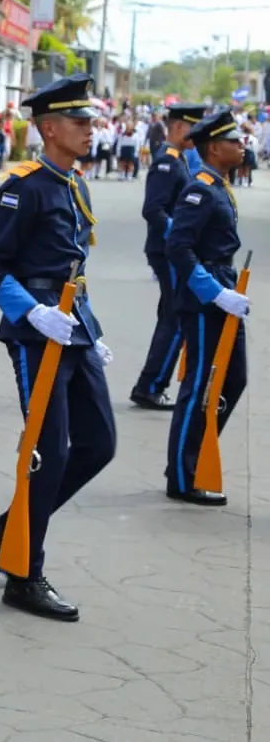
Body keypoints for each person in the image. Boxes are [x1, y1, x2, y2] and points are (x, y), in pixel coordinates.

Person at [0, 74, 116, 622]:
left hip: (73, 327)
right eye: (78, 122)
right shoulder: (24, 187)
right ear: (48, 128)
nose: (89, 130)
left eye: (90, 121)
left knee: (98, 443)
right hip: (38, 334)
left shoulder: (74, 183)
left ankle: (12, 526)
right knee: (47, 452)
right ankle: (23, 574)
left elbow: (72, 268)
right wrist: (32, 312)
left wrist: (92, 330)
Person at [163, 109, 250, 507]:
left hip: (224, 286)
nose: (241, 144)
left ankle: (196, 453)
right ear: (214, 148)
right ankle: (183, 476)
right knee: (200, 383)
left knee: (233, 379)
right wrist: (213, 292)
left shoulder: (217, 185)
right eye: (233, 140)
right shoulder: (199, 189)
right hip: (205, 296)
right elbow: (178, 247)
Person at [131, 103, 204, 410]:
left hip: (170, 249)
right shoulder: (166, 161)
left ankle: (150, 384)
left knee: (171, 317)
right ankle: (150, 386)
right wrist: (179, 233)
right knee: (175, 319)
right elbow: (153, 209)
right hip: (168, 250)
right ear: (178, 127)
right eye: (194, 128)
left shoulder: (179, 159)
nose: (198, 134)